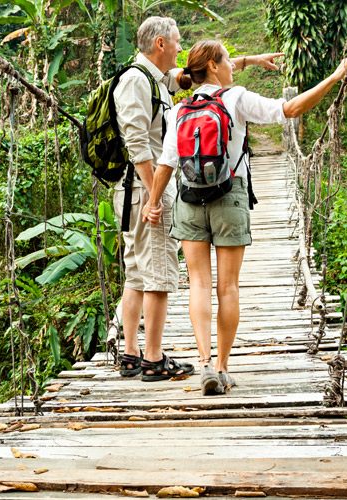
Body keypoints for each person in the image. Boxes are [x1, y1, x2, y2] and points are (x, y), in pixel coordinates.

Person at [143, 39, 347, 394]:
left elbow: (166, 164)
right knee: (228, 287)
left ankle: (205, 362)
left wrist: (153, 202)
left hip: (189, 200)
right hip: (229, 196)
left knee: (198, 285)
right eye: (226, 60)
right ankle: (223, 367)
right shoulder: (235, 98)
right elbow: (291, 108)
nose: (230, 66)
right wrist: (334, 77)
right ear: (212, 66)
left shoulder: (178, 111)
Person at [113, 19, 284, 381]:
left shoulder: (157, 78)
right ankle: (153, 360)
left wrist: (250, 61)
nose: (180, 49)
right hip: (145, 188)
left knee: (138, 273)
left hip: (151, 189)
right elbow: (138, 146)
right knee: (157, 272)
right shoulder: (135, 80)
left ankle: (131, 354)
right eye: (176, 43)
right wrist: (153, 198)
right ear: (160, 43)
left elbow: (205, 74)